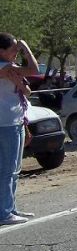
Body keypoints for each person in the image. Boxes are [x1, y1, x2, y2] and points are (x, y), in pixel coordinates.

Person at [0, 33, 38, 225]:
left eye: (17, 49)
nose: (16, 52)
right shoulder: (3, 67)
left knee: (14, 169)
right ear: (1, 51)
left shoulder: (9, 68)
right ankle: (4, 212)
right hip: (5, 123)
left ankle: (10, 207)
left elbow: (26, 90)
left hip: (14, 121)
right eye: (13, 49)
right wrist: (25, 47)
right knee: (7, 169)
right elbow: (33, 69)